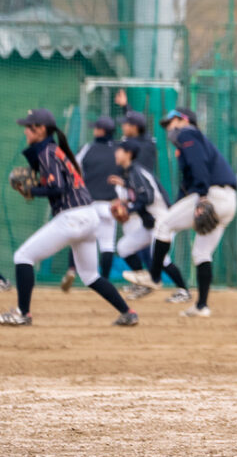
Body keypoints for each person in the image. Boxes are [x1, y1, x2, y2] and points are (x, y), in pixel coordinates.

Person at [3, 108, 137, 327]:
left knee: (23, 257)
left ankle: (22, 313)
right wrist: (37, 186)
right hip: (88, 216)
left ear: (41, 129)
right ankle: (128, 312)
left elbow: (58, 187)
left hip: (73, 217)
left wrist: (32, 190)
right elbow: (59, 184)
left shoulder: (46, 151)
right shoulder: (54, 150)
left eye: (29, 127)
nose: (26, 131)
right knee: (90, 275)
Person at [125, 107, 237, 317]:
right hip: (229, 201)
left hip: (211, 194)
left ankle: (154, 277)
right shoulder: (193, 140)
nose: (168, 129)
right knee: (201, 253)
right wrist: (179, 206)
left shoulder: (187, 134)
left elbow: (198, 165)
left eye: (170, 123)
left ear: (183, 120)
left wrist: (203, 196)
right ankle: (201, 306)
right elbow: (186, 186)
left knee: (163, 225)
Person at [109, 138, 191, 304]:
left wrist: (129, 209)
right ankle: (144, 283)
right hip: (151, 224)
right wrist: (125, 189)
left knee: (161, 259)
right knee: (124, 247)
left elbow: (148, 196)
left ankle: (184, 290)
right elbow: (139, 193)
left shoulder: (137, 172)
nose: (116, 153)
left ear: (128, 154)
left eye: (119, 150)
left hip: (163, 222)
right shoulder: (131, 173)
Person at [71, 115, 122, 286]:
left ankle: (72, 270)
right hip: (111, 205)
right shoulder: (119, 150)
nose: (94, 130)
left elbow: (73, 168)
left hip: (89, 203)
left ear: (101, 131)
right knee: (107, 245)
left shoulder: (88, 148)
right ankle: (105, 281)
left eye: (96, 128)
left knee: (79, 236)